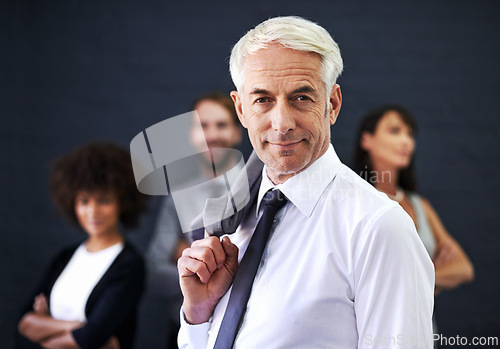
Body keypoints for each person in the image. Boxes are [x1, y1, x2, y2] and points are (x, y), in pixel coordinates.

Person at [177, 16, 435, 348]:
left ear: (332, 104)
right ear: (241, 109)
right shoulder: (230, 224)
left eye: (302, 97)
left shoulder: (378, 228)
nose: (281, 123)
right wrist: (198, 313)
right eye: (263, 100)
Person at [352, 104, 474, 325]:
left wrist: (413, 280)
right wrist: (432, 272)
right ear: (366, 140)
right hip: (376, 328)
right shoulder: (356, 202)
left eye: (410, 134)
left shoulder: (419, 205)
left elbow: (464, 268)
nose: (406, 141)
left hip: (424, 327)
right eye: (395, 131)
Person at [17, 142, 147, 349]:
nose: (92, 211)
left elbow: (89, 339)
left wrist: (45, 324)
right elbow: (24, 323)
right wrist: (78, 326)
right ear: (72, 204)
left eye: (104, 200)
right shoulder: (65, 257)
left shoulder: (130, 265)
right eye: (84, 201)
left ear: (122, 203)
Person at [145, 92, 242, 348]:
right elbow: (153, 273)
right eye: (202, 126)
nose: (211, 135)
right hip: (183, 332)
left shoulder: (261, 191)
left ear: (237, 130)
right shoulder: (175, 198)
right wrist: (206, 276)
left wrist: (186, 258)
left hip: (247, 332)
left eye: (221, 125)